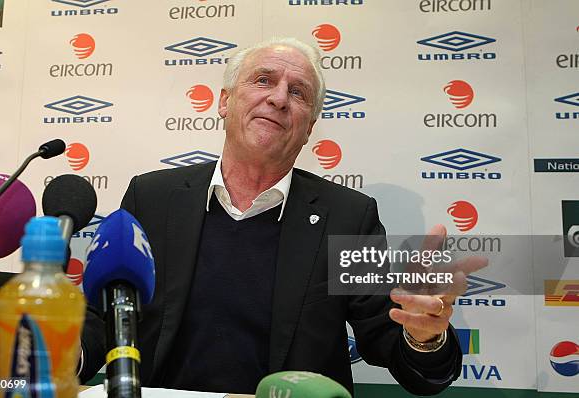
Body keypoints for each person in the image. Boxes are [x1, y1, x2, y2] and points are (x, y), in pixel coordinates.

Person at [79, 37, 484, 395]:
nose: (278, 98)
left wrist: (424, 336)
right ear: (224, 101)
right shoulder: (153, 197)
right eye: (263, 80)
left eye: (299, 92)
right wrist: (58, 353)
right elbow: (104, 318)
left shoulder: (348, 217)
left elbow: (391, 345)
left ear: (309, 127)